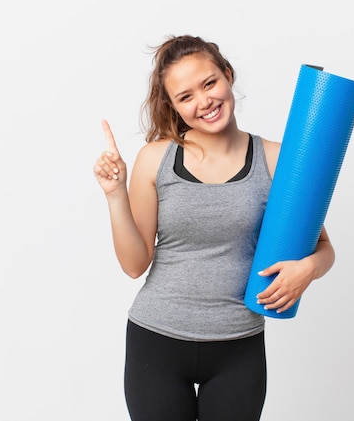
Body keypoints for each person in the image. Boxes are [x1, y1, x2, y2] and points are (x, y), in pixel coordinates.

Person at [94, 35, 335, 421]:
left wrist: (307, 269)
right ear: (173, 106)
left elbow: (323, 248)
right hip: (156, 341)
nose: (203, 102)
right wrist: (115, 195)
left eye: (209, 84)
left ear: (227, 74)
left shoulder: (276, 158)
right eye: (185, 96)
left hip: (238, 346)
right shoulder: (156, 158)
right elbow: (135, 264)